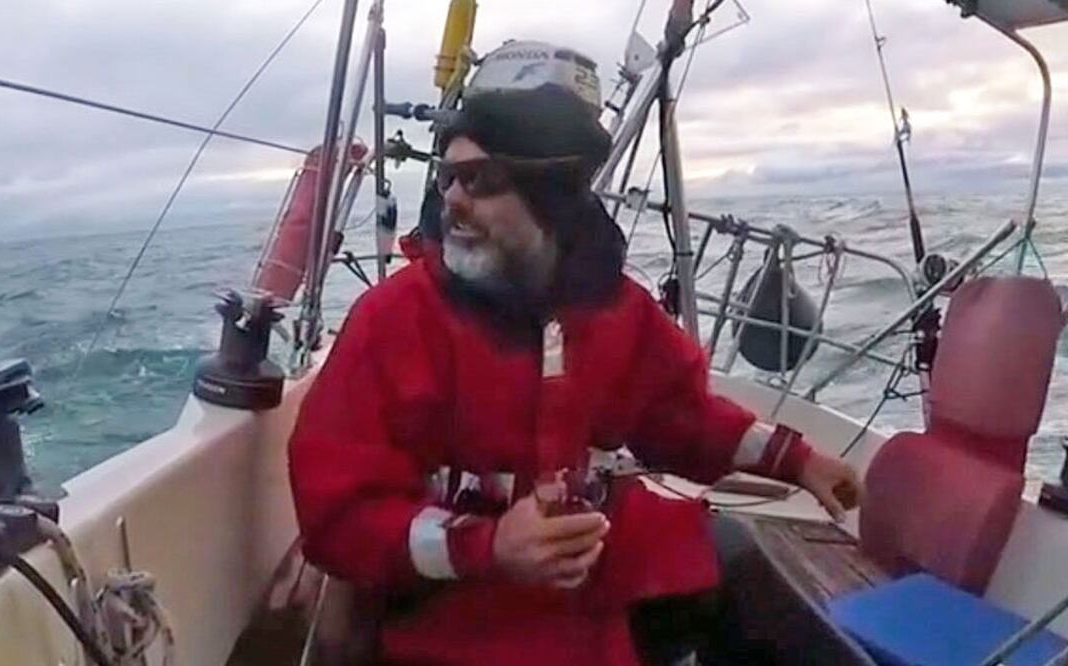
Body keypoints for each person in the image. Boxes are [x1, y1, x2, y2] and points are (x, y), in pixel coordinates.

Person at [289, 83, 861, 665]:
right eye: (447, 178)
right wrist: (486, 545)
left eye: (480, 180)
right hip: (452, 615)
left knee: (748, 570)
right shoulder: (392, 321)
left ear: (552, 196)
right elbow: (338, 516)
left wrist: (795, 460)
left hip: (592, 585)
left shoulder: (614, 309)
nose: (452, 201)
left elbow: (680, 417)